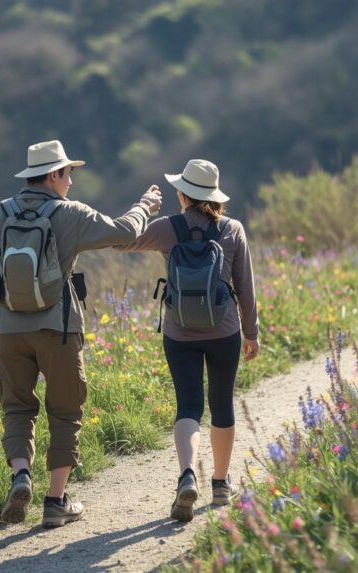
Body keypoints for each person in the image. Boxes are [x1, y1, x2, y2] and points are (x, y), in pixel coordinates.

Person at [0, 140, 162, 528]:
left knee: (17, 407)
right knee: (65, 410)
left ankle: (21, 474)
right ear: (53, 175)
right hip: (58, 329)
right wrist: (146, 206)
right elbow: (124, 232)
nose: (71, 181)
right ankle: (55, 501)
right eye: (68, 173)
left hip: (7, 330)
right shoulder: (69, 213)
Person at [116, 159, 259, 521]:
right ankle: (221, 484)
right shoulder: (233, 229)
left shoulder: (167, 228)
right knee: (222, 404)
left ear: (182, 194)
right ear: (214, 196)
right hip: (224, 329)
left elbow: (121, 240)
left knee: (188, 406)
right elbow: (245, 287)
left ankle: (187, 475)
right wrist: (251, 332)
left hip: (179, 331)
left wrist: (143, 208)